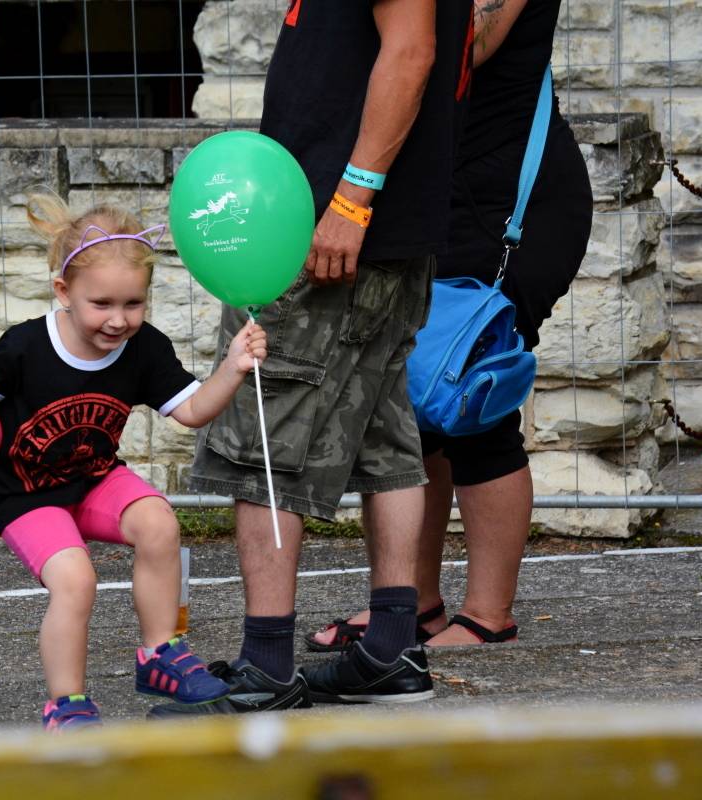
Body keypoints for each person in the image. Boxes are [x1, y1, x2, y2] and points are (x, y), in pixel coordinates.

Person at [151, 0, 474, 717]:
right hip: (382, 228)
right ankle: (391, 648)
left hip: (328, 228)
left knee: (265, 425)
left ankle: (265, 667)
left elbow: (413, 53)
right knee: (385, 437)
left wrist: (352, 201)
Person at [305, 0, 593, 651]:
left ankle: (487, 615)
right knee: (410, 410)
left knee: (472, 400)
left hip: (507, 203)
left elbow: (477, 40)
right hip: (437, 193)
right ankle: (412, 604)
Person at [0, 194, 268, 730]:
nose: (119, 321)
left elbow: (191, 411)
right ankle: (67, 706)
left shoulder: (145, 349)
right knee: (76, 579)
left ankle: (161, 656)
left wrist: (233, 368)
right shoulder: (27, 345)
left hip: (94, 481)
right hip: (26, 497)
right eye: (102, 304)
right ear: (63, 293)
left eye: (133, 304)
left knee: (159, 523)